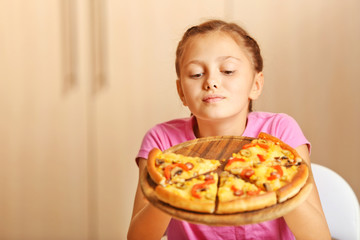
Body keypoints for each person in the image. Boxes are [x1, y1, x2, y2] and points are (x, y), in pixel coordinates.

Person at [127, 19, 331, 240]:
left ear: (256, 84)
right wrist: (172, 185)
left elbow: (318, 236)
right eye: (196, 74)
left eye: (228, 70)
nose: (212, 81)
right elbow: (139, 237)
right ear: (181, 92)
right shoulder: (162, 141)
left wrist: (276, 178)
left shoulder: (279, 131)